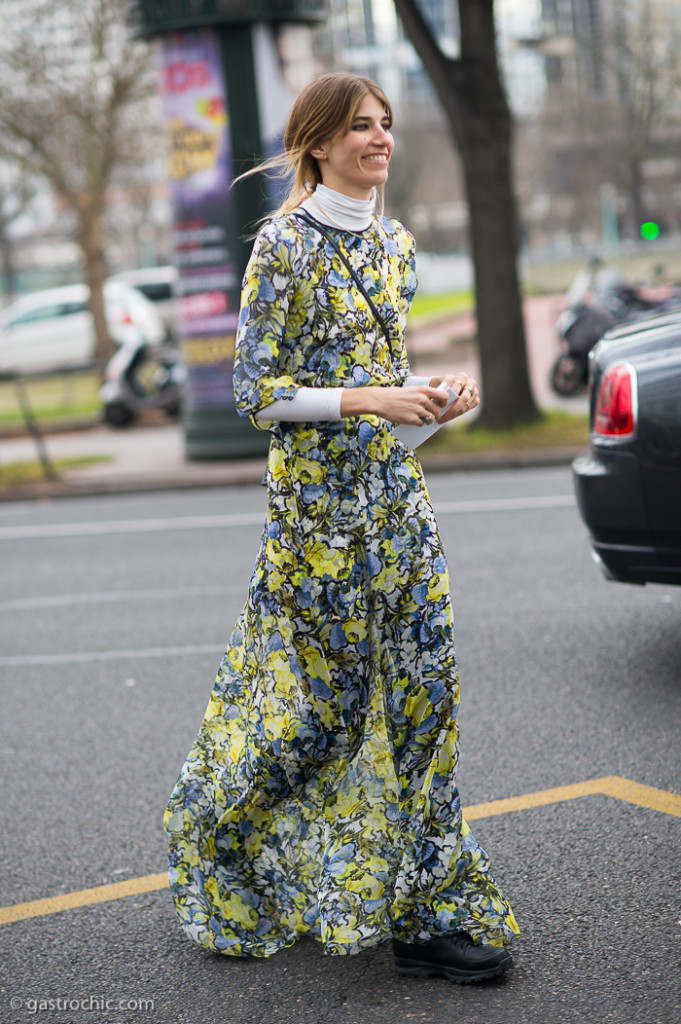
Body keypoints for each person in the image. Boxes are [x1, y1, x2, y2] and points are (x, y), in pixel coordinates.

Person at [164, 71, 519, 984]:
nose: (380, 138)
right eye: (360, 126)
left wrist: (435, 403)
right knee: (326, 719)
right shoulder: (282, 244)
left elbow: (388, 394)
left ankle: (427, 908)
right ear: (317, 143)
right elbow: (255, 391)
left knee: (426, 696)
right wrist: (366, 396)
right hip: (315, 520)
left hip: (395, 502)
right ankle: (222, 828)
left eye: (386, 124)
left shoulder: (397, 247)